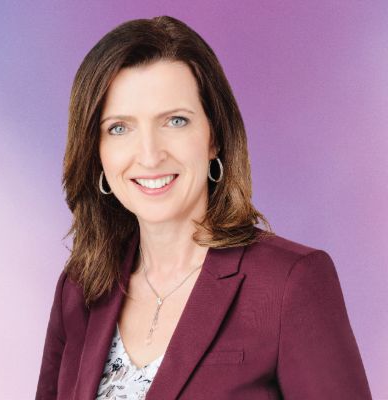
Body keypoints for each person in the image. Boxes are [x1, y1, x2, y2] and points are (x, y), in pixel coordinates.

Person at [35, 16, 372, 400]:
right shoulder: (80, 289)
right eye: (119, 128)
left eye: (175, 121)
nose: (150, 155)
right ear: (96, 152)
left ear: (214, 137)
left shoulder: (289, 283)